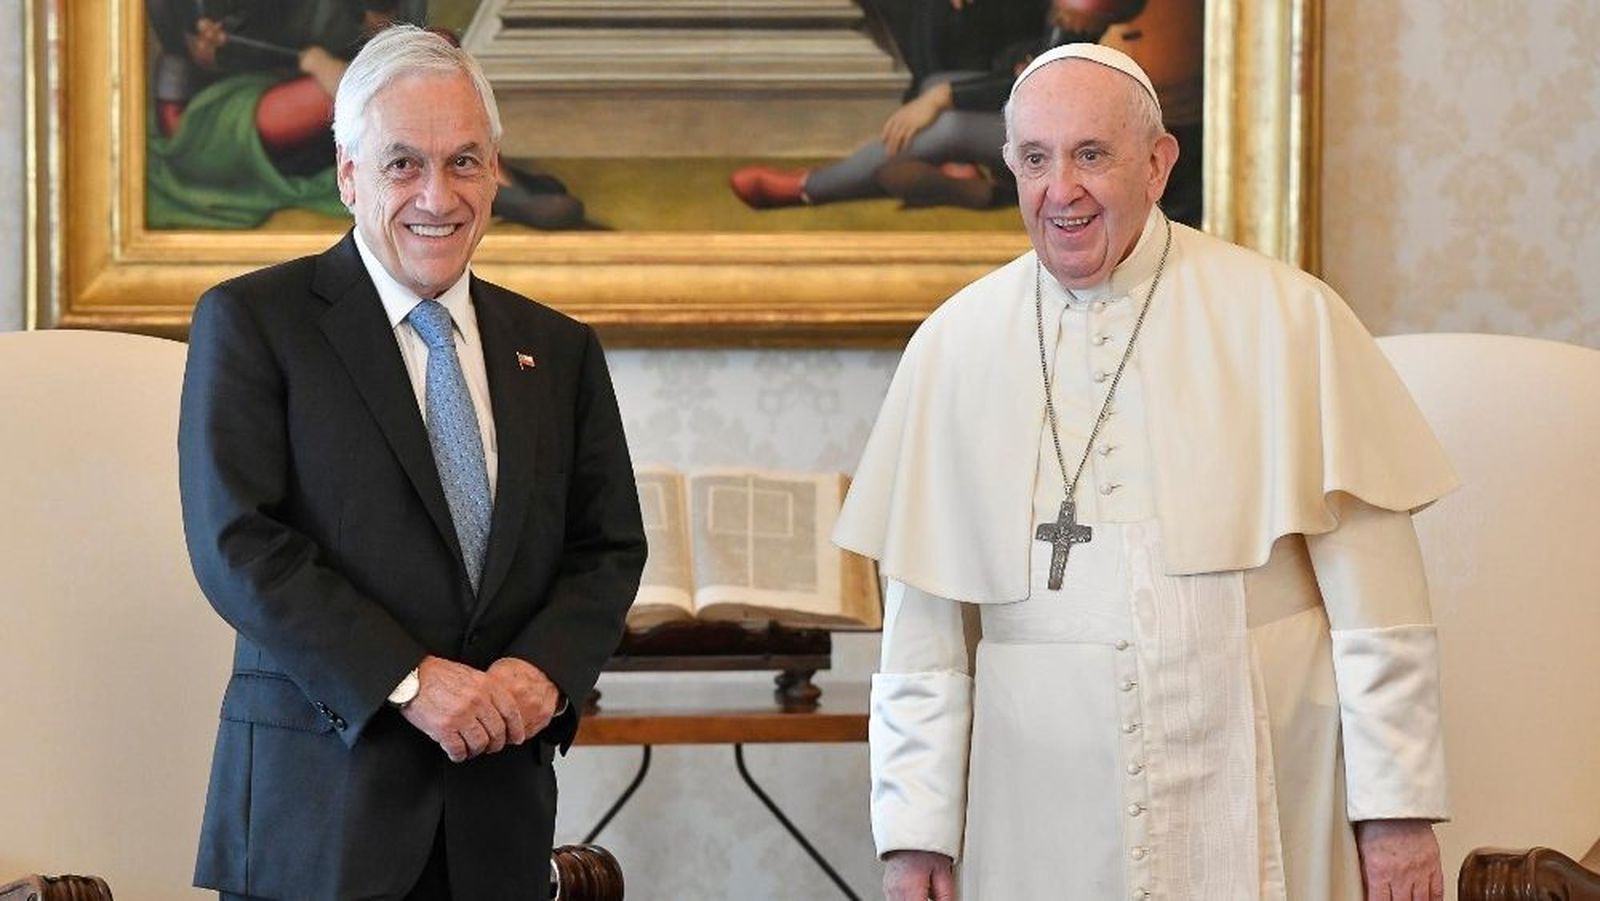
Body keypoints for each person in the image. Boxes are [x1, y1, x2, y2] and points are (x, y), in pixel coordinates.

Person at [834, 43, 1454, 901]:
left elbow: (1380, 611)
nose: (1063, 191)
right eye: (1036, 160)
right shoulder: (953, 346)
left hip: (1259, 767)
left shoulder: (1287, 317)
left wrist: (1396, 816)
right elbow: (923, 643)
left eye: (1092, 154)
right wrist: (914, 833)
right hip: (1036, 801)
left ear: (1159, 163)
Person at [178, 24, 646, 900]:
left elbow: (608, 546)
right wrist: (411, 679)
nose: (439, 194)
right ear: (348, 175)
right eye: (403, 164)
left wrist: (542, 672)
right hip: (319, 819)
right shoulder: (254, 322)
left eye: (465, 161)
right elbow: (238, 541)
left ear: (497, 171)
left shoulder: (560, 349)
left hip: (497, 815)